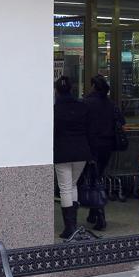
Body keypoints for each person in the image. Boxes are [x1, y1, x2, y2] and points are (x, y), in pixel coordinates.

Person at [53, 75, 93, 239]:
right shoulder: (82, 107)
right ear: (71, 89)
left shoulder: (55, 109)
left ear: (56, 91)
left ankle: (69, 227)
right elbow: (89, 128)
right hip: (81, 151)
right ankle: (73, 225)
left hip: (62, 152)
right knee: (73, 185)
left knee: (65, 188)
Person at [83, 74, 119, 230]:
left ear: (93, 86)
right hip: (107, 146)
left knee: (94, 179)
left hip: (91, 146)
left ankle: (100, 216)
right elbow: (120, 121)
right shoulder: (110, 104)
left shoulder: (87, 103)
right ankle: (93, 212)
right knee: (97, 177)